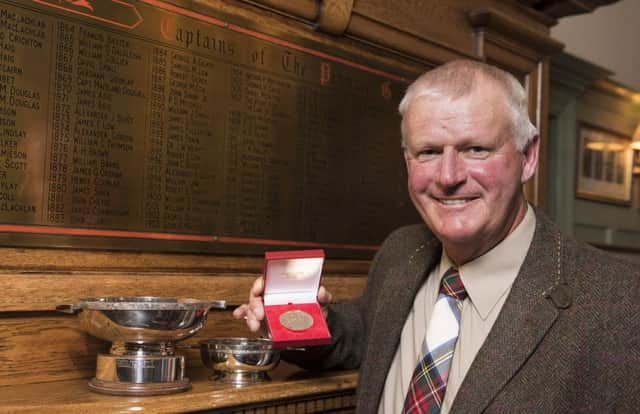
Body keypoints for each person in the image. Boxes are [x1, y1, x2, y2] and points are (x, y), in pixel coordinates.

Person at [233, 59, 640, 413]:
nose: (448, 177)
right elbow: (360, 335)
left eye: (476, 149)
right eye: (428, 151)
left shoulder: (617, 303)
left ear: (528, 156)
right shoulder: (401, 251)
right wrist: (299, 322)